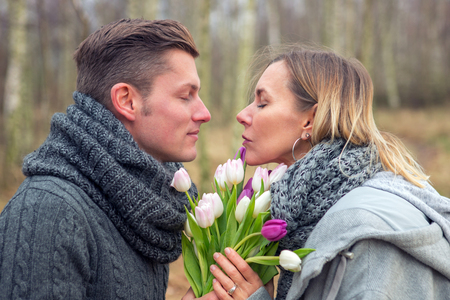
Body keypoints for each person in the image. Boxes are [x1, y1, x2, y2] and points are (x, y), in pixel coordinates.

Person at [184, 45, 450, 300]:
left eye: (262, 104)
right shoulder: (309, 209)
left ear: (309, 120)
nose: (243, 115)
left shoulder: (368, 237)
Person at [0, 18, 210, 299]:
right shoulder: (48, 212)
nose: (204, 113)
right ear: (127, 100)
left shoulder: (144, 203)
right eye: (186, 96)